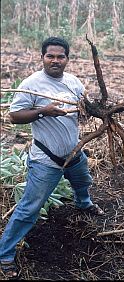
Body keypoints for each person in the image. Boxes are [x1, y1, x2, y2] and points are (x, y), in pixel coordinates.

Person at [0, 36, 104, 279]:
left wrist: (91, 111)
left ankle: (84, 203)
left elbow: (82, 109)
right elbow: (14, 116)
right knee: (29, 209)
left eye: (60, 56)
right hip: (46, 160)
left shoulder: (74, 82)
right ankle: (5, 254)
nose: (55, 61)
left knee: (83, 182)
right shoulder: (32, 84)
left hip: (74, 152)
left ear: (67, 59)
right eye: (50, 56)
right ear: (42, 58)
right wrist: (41, 112)